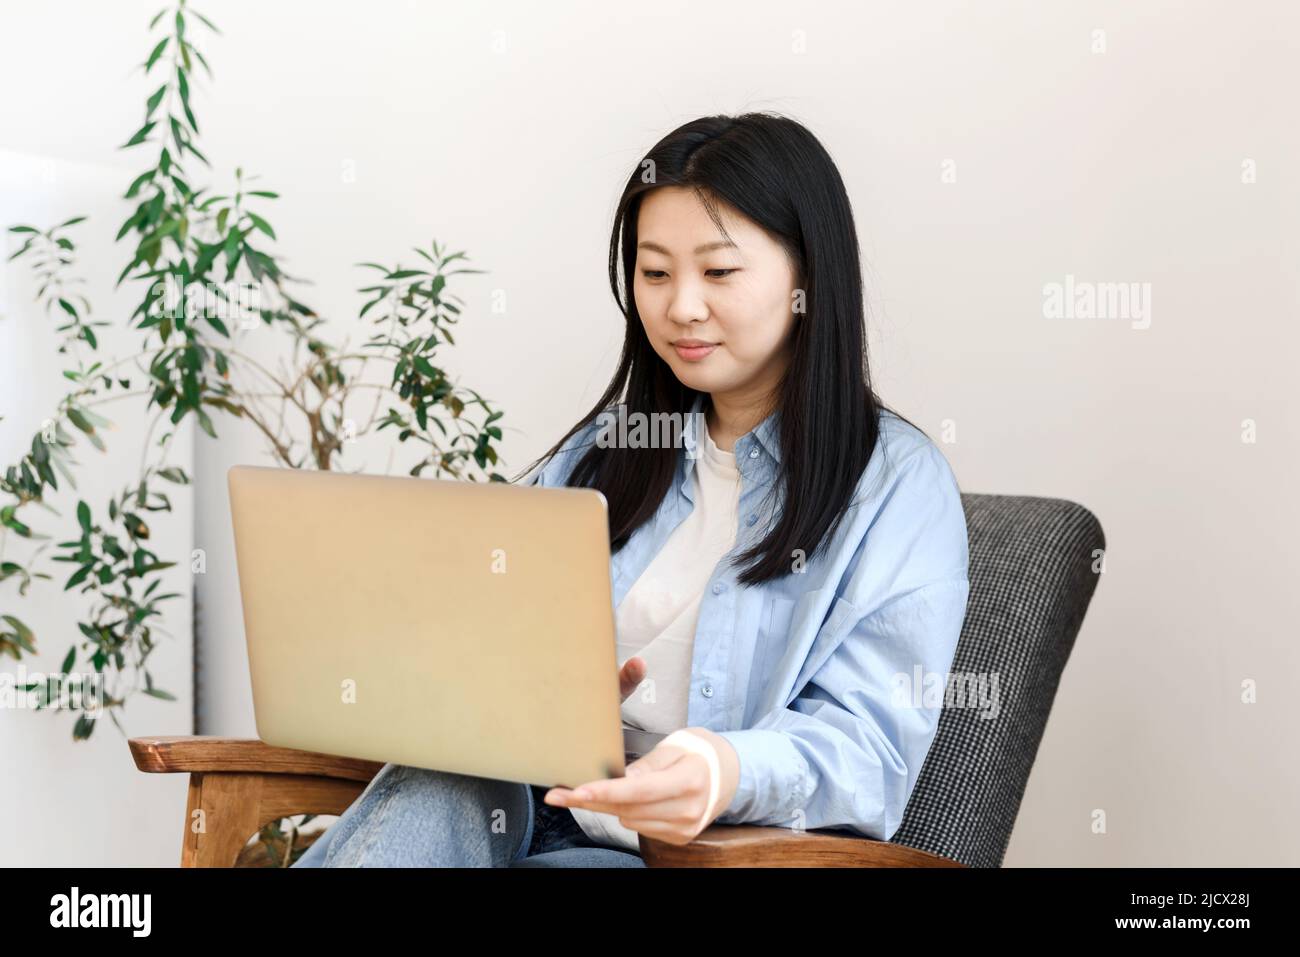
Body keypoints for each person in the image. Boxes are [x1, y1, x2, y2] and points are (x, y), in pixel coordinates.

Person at [293, 111, 969, 868]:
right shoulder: (605, 454)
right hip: (530, 810)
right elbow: (486, 637)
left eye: (718, 272)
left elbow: (870, 751)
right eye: (654, 272)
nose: (680, 305)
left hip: (689, 854)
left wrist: (721, 769)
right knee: (441, 783)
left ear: (807, 275)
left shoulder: (896, 489)